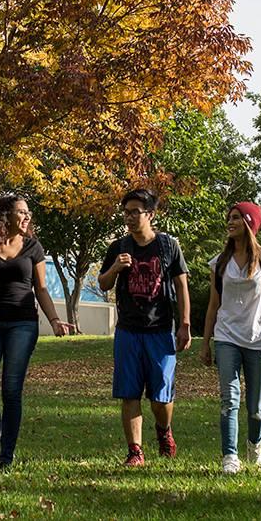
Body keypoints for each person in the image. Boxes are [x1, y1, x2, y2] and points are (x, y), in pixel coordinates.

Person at [0, 195, 77, 470]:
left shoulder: (33, 247)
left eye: (28, 212)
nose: (27, 217)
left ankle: (6, 456)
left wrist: (55, 319)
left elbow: (42, 289)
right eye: (22, 212)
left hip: (22, 324)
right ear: (5, 216)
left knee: (12, 389)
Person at [98, 189, 191, 467]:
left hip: (160, 329)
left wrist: (184, 324)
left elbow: (181, 285)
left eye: (135, 211)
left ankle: (164, 432)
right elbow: (103, 284)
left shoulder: (167, 246)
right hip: (128, 330)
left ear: (150, 214)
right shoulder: (118, 247)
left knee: (161, 397)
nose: (129, 217)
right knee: (129, 393)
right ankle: (135, 451)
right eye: (126, 212)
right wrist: (115, 268)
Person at [200, 202, 261, 474]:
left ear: (250, 223)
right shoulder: (220, 262)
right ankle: (230, 456)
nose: (230, 222)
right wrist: (206, 342)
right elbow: (213, 305)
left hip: (260, 339)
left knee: (256, 407)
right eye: (229, 217)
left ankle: (255, 446)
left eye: (236, 217)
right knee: (229, 398)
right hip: (227, 336)